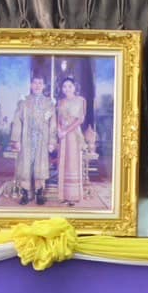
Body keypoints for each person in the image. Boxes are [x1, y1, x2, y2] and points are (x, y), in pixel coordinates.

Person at [10, 74, 55, 206]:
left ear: (44, 86)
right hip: (26, 139)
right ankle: (25, 194)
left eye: (40, 83)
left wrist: (52, 142)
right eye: (35, 83)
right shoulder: (23, 102)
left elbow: (53, 123)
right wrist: (16, 140)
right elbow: (17, 121)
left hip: (42, 139)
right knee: (25, 166)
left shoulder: (49, 103)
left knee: (40, 166)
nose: (37, 86)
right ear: (31, 85)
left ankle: (39, 194)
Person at [55, 76, 87, 205]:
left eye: (70, 86)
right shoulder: (60, 102)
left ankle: (73, 196)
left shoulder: (81, 100)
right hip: (63, 136)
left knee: (72, 163)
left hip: (73, 134)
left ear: (74, 87)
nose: (67, 89)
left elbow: (80, 119)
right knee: (63, 162)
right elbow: (57, 118)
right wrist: (59, 130)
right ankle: (64, 195)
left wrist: (66, 131)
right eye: (64, 86)